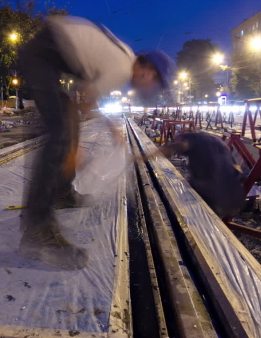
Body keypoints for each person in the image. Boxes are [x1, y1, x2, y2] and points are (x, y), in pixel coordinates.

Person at [18, 15, 174, 270]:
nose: (149, 88)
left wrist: (109, 126)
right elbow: (84, 105)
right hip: (39, 56)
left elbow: (82, 102)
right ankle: (37, 231)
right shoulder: (121, 68)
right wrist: (71, 147)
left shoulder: (122, 57)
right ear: (147, 71)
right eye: (153, 83)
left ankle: (61, 193)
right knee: (57, 138)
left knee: (64, 115)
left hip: (46, 52)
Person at [155, 132, 246, 219]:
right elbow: (236, 169)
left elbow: (182, 145)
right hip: (232, 191)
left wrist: (157, 152)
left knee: (189, 211)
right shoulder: (210, 140)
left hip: (214, 191)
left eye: (175, 140)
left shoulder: (192, 140)